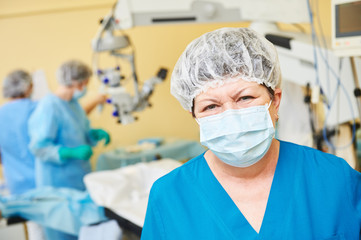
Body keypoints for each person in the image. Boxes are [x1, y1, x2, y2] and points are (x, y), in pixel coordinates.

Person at [141, 28, 361, 239]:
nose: (231, 116)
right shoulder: (169, 197)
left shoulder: (335, 179)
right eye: (211, 106)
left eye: (245, 98)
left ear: (275, 102)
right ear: (195, 118)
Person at [28, 59, 111, 240]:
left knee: (81, 231)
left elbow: (80, 133)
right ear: (75, 82)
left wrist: (93, 135)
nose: (86, 88)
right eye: (85, 84)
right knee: (61, 232)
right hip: (57, 183)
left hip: (78, 179)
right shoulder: (49, 106)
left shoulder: (73, 106)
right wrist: (69, 152)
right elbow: (39, 147)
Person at [0, 70, 36, 195]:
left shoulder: (1, 113)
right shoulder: (38, 108)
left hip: (15, 185)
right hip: (43, 181)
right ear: (29, 87)